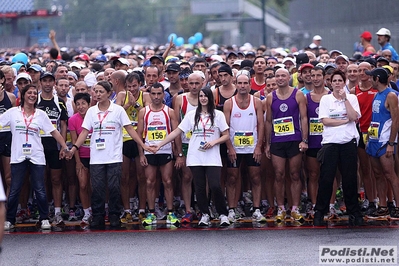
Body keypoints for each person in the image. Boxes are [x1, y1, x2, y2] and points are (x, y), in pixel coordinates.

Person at [66, 81, 151, 229]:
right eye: (95, 91)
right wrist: (74, 148)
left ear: (109, 93)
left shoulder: (118, 110)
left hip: (114, 156)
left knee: (114, 187)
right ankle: (98, 217)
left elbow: (130, 129)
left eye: (100, 92)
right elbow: (85, 131)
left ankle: (114, 215)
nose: (97, 94)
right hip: (96, 157)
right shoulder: (92, 111)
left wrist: (142, 145)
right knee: (97, 188)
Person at [153, 87, 231, 227]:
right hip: (195, 155)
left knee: (215, 185)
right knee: (199, 186)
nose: (203, 98)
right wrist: (160, 144)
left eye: (205, 96)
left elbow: (226, 135)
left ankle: (223, 214)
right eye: (201, 96)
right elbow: (177, 131)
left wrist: (214, 142)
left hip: (212, 155)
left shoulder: (218, 115)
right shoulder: (191, 115)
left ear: (210, 98)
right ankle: (205, 214)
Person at [0, 84, 68, 231]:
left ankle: (44, 218)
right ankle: (9, 220)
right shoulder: (13, 113)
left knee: (40, 189)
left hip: (36, 155)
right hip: (18, 156)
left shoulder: (41, 114)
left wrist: (64, 146)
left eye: (34, 93)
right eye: (29, 93)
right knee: (15, 189)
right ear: (23, 95)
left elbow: (54, 132)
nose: (32, 95)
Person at [313, 70, 363, 226]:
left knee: (350, 179)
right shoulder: (325, 100)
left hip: (348, 143)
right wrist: (343, 121)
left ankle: (354, 212)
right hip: (330, 143)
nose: (337, 83)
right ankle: (320, 212)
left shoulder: (352, 97)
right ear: (330, 83)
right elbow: (325, 121)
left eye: (340, 80)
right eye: (334, 80)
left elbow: (354, 117)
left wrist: (345, 99)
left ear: (344, 81)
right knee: (326, 179)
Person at [265, 68, 308, 223]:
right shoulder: (270, 97)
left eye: (283, 75)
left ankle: (295, 208)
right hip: (277, 141)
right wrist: (268, 143)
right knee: (279, 174)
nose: (280, 78)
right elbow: (268, 121)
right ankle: (281, 208)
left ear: (289, 77)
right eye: (277, 76)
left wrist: (304, 139)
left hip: (294, 140)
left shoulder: (298, 94)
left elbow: (304, 118)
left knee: (295, 174)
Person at [224, 70, 265, 223]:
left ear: (249, 85)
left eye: (245, 83)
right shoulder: (229, 103)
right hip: (235, 148)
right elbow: (225, 127)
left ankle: (256, 209)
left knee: (255, 177)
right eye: (239, 83)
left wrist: (259, 146)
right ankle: (232, 209)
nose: (242, 86)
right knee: (232, 178)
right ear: (236, 84)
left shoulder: (256, 102)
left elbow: (261, 125)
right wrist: (230, 147)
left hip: (252, 147)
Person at [137, 82, 181, 227]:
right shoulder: (144, 112)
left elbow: (176, 133)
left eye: (159, 94)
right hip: (149, 151)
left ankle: (170, 212)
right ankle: (151, 213)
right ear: (150, 94)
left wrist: (179, 153)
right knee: (149, 182)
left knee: (167, 181)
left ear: (163, 95)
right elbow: (139, 135)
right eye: (153, 94)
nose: (156, 97)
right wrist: (141, 154)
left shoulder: (169, 112)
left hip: (166, 150)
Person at [365, 68, 399, 219]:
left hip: (385, 141)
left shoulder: (391, 95)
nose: (369, 80)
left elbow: (396, 120)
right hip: (374, 139)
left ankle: (397, 207)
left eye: (371, 77)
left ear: (377, 79)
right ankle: (383, 206)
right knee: (378, 174)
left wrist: (391, 143)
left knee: (390, 174)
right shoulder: (377, 94)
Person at [172, 72, 201, 223]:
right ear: (186, 84)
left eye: (197, 83)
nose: (194, 86)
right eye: (191, 83)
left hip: (203, 144)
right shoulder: (179, 99)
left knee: (202, 178)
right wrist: (179, 153)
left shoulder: (206, 98)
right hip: (185, 144)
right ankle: (188, 209)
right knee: (187, 177)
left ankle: (203, 208)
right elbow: (176, 127)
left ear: (202, 83)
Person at [304, 66, 330, 219]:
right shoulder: (305, 97)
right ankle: (315, 206)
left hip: (329, 141)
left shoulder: (331, 95)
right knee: (313, 174)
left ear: (324, 77)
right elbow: (303, 119)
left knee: (329, 175)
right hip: (313, 141)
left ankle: (331, 205)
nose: (315, 78)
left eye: (318, 75)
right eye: (312, 75)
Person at [68, 93, 92, 225]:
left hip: (96, 156)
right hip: (81, 156)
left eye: (83, 103)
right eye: (78, 104)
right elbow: (74, 141)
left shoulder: (94, 116)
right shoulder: (73, 119)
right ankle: (86, 211)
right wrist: (77, 162)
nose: (81, 107)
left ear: (89, 104)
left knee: (96, 185)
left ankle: (99, 208)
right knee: (82, 185)